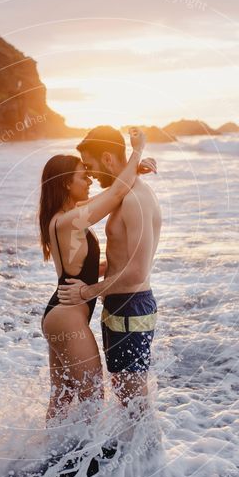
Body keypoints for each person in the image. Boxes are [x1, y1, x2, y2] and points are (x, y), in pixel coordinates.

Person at [39, 128, 155, 427]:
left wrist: (131, 169)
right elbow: (116, 193)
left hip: (60, 314)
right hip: (67, 315)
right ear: (67, 184)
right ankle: (84, 462)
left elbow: (91, 266)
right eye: (82, 175)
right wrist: (138, 151)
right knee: (92, 399)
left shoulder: (64, 217)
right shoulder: (69, 221)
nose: (89, 178)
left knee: (63, 397)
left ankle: (47, 453)